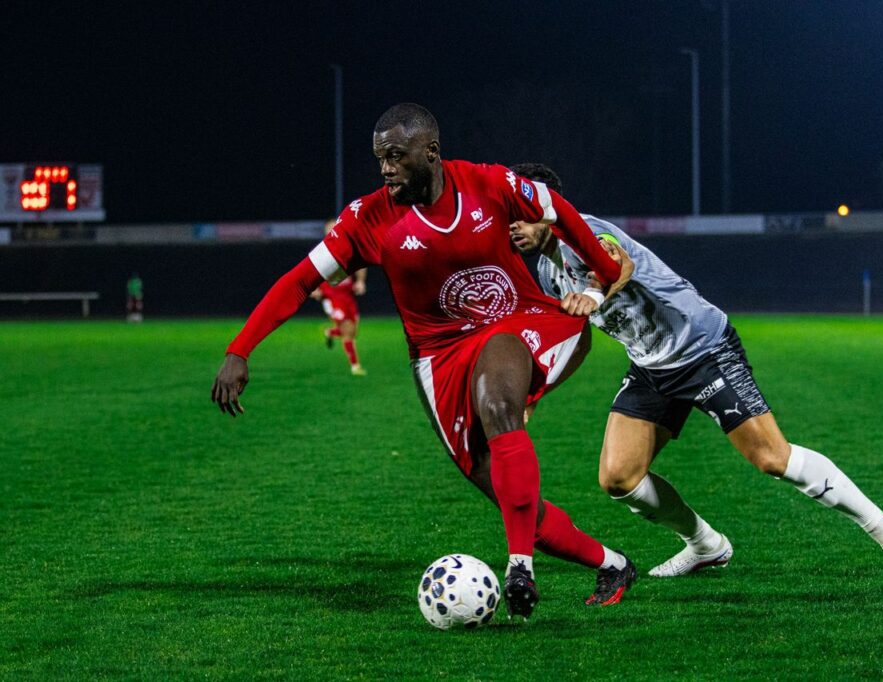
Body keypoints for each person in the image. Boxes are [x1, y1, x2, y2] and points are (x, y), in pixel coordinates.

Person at [211, 104, 638, 619]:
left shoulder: (488, 184)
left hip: (515, 323)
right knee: (507, 493)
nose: (385, 168)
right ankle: (612, 564)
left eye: (395, 156)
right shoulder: (368, 219)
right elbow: (302, 279)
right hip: (440, 361)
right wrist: (240, 348)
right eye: (379, 159)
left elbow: (557, 209)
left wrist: (599, 273)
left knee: (499, 403)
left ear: (430, 153)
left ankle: (518, 565)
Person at [509, 163, 883, 582]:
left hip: (704, 349)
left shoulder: (586, 232)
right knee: (618, 477)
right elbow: (578, 340)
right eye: (510, 214)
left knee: (771, 458)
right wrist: (535, 393)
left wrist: (593, 291)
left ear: (550, 207)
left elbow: (615, 263)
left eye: (524, 213)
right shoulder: (547, 272)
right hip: (651, 366)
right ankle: (705, 545)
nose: (515, 225)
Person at [310, 221, 368, 375]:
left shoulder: (349, 249)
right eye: (330, 229)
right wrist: (314, 289)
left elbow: (362, 264)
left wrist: (360, 281)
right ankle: (355, 366)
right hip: (332, 298)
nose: (333, 231)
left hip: (348, 296)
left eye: (336, 227)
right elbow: (311, 271)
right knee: (348, 331)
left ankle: (329, 332)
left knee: (353, 331)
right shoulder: (321, 252)